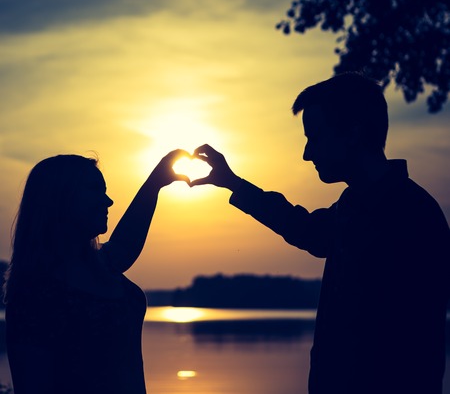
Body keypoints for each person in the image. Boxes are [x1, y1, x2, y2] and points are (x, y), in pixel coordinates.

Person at [191, 73, 450, 394]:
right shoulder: (356, 205)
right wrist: (233, 183)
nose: (306, 153)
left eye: (315, 137)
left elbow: (409, 350)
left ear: (353, 133)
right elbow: (308, 231)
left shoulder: (409, 215)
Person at [3, 149, 190, 394]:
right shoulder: (36, 294)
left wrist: (156, 181)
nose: (108, 201)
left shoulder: (101, 263)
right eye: (95, 191)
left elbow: (125, 243)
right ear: (61, 199)